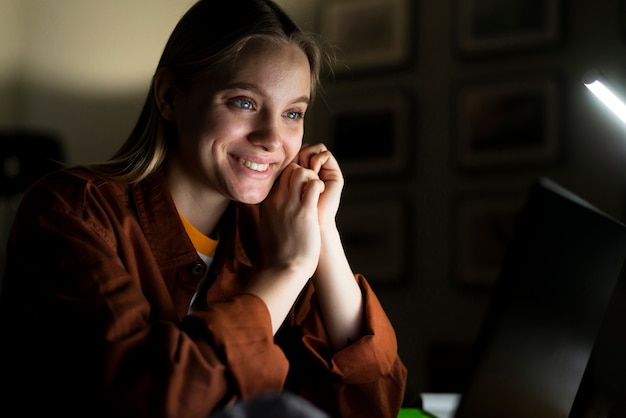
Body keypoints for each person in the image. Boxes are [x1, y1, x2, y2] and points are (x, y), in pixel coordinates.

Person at [0, 1, 408, 417]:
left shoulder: (273, 232)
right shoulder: (70, 212)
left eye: (292, 113)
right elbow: (159, 399)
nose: (272, 137)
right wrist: (285, 272)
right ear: (170, 97)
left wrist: (324, 235)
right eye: (244, 102)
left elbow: (374, 405)